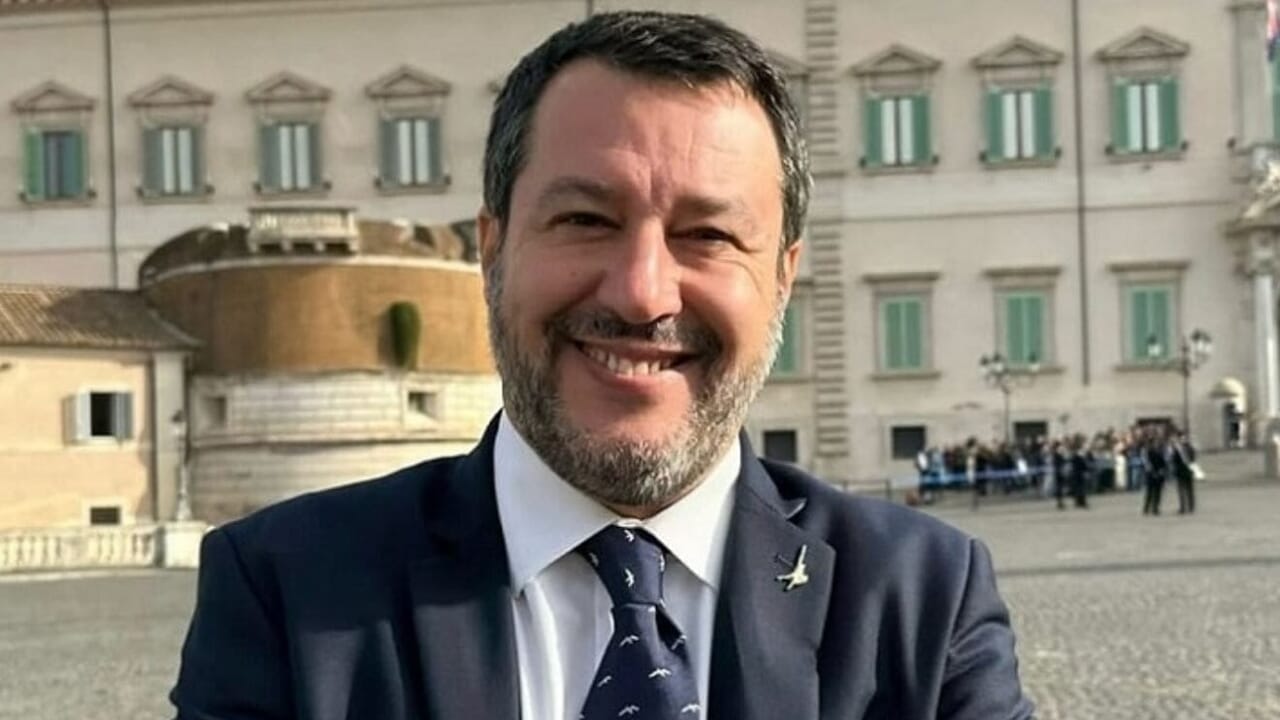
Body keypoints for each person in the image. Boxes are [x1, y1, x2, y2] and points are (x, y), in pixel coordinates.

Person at [168, 12, 1033, 720]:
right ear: (492, 249)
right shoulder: (285, 590)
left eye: (708, 234)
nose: (642, 293)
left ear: (782, 277)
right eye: (585, 220)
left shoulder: (922, 601)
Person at [1171, 431, 1197, 515]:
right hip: (1180, 471)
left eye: (1184, 438)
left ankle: (1191, 506)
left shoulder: (1189, 448)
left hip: (1188, 471)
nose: (1183, 440)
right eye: (1181, 438)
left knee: (1189, 490)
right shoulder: (1176, 449)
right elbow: (1173, 460)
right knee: (1181, 490)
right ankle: (1183, 507)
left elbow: (1193, 459)